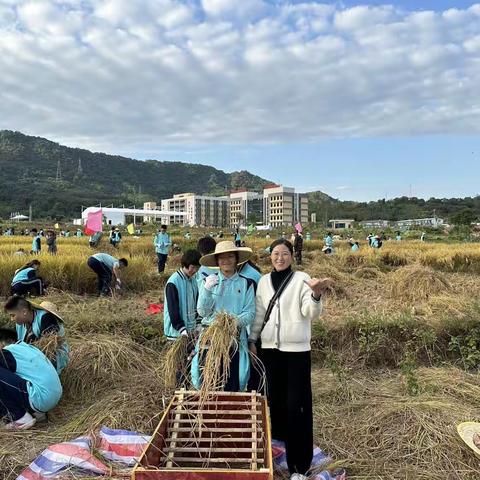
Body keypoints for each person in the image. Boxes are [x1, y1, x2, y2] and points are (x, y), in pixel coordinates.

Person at [248, 239, 332, 480]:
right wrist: (253, 340)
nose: (280, 257)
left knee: (298, 407)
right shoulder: (263, 281)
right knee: (275, 403)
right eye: (276, 253)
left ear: (291, 257)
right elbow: (259, 313)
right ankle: (277, 452)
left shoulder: (302, 279)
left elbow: (310, 312)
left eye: (285, 253)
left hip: (296, 353)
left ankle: (299, 467)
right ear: (270, 256)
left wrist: (316, 293)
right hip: (270, 351)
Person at [191, 241, 256, 392]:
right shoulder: (209, 281)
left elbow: (250, 313)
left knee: (232, 382)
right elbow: (202, 312)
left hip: (234, 339)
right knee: (208, 381)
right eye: (222, 258)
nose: (226, 261)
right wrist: (207, 290)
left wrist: (231, 322)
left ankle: (230, 413)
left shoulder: (246, 284)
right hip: (211, 338)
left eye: (230, 256)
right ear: (217, 261)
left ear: (236, 259)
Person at [0, 335, 62, 430]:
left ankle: (19, 417)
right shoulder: (23, 348)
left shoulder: (6, 354)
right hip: (53, 395)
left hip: (40, 397)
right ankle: (36, 413)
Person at [4, 297, 69, 374]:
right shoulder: (20, 324)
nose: (12, 319)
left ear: (24, 312)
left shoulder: (46, 318)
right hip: (33, 358)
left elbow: (49, 347)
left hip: (52, 359)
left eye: (13, 315)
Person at [164, 249, 202, 340]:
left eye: (197, 268)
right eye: (192, 267)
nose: (194, 270)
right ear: (185, 264)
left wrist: (198, 322)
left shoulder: (193, 280)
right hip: (176, 332)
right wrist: (181, 328)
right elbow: (172, 309)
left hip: (191, 329)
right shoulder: (173, 282)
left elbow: (196, 302)